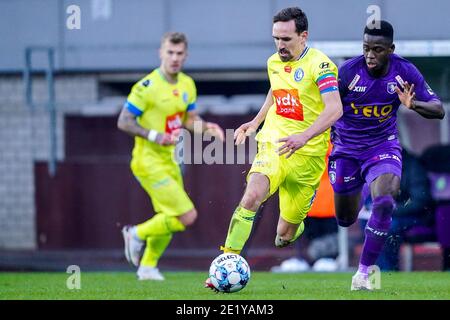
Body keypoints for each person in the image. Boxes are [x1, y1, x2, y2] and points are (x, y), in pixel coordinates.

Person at [205, 7, 343, 289]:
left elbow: (335, 109)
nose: (280, 45)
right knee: (253, 194)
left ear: (303, 36)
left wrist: (304, 136)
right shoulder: (273, 62)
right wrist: (255, 122)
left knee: (284, 236)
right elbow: (276, 90)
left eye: (286, 39)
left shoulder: (322, 66)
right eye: (276, 39)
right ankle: (226, 262)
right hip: (274, 143)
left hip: (308, 157)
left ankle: (294, 225)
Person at [329, 20, 445, 290]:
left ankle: (363, 273)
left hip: (383, 146)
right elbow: (327, 107)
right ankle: (355, 193)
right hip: (347, 148)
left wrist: (412, 103)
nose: (370, 55)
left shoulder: (405, 72)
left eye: (377, 49)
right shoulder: (348, 72)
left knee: (384, 201)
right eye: (366, 48)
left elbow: (438, 109)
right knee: (345, 219)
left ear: (390, 49)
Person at [117, 32, 224, 281]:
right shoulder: (147, 87)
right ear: (161, 53)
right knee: (186, 215)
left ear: (185, 56)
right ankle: (135, 234)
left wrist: (208, 127)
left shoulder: (187, 84)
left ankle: (147, 267)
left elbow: (189, 120)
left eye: (179, 54)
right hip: (148, 161)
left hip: (171, 160)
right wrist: (155, 136)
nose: (174, 58)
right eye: (170, 53)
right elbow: (124, 121)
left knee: (167, 215)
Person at [358, 148, 435, 271]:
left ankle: (387, 270)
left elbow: (420, 200)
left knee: (386, 226)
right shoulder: (378, 165)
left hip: (413, 216)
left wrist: (392, 209)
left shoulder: (413, 166)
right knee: (368, 223)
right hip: (389, 214)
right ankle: (374, 268)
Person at [271, 143, 339, 273]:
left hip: (327, 196)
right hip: (305, 194)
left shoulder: (333, 137)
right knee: (300, 230)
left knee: (327, 232)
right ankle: (300, 258)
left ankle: (329, 258)